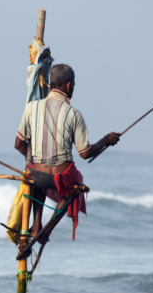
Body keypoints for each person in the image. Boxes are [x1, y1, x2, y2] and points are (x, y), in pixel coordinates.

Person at [14, 63, 120, 241]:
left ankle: (36, 226)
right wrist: (106, 141)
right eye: (74, 86)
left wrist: (32, 160)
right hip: (61, 177)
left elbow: (18, 144)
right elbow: (85, 153)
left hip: (38, 175)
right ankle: (46, 230)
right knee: (75, 186)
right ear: (68, 85)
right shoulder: (74, 114)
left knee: (36, 177)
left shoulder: (31, 108)